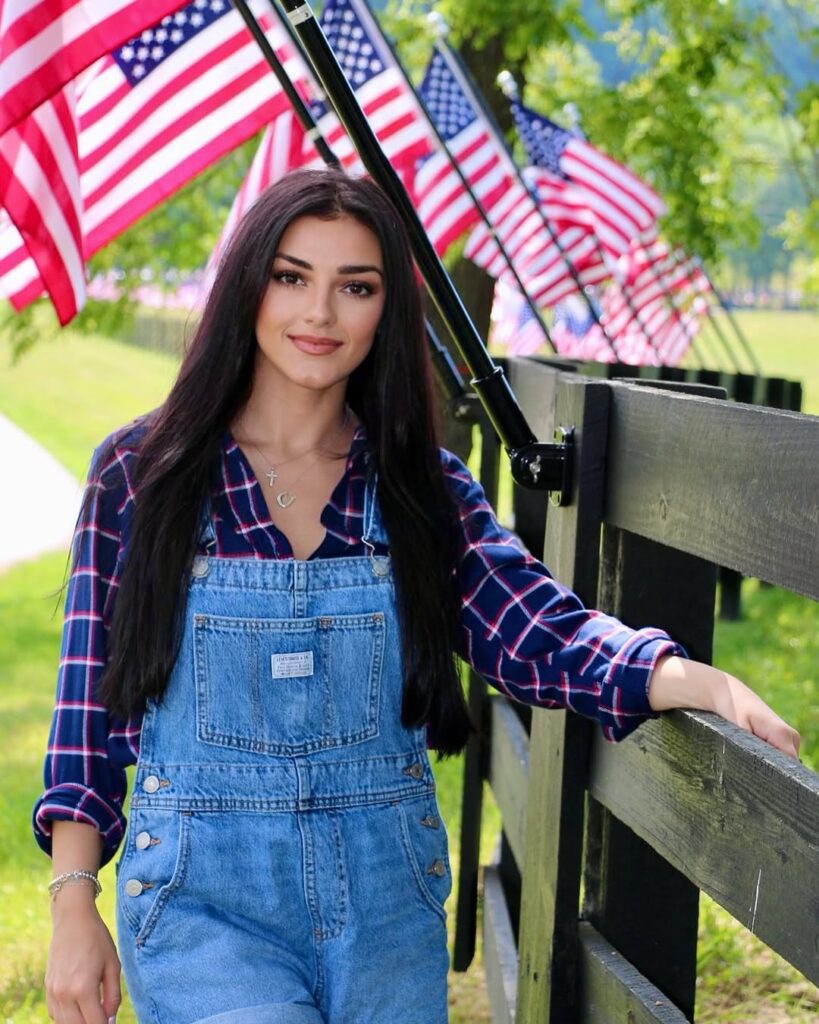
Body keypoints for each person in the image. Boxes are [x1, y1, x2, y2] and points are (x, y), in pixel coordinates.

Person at [35, 169, 799, 1024]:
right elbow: (86, 716)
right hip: (202, 903)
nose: (319, 315)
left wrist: (688, 678)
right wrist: (74, 907)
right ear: (246, 286)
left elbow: (535, 634)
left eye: (354, 287)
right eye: (292, 277)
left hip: (386, 903)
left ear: (385, 311)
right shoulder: (143, 474)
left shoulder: (419, 492)